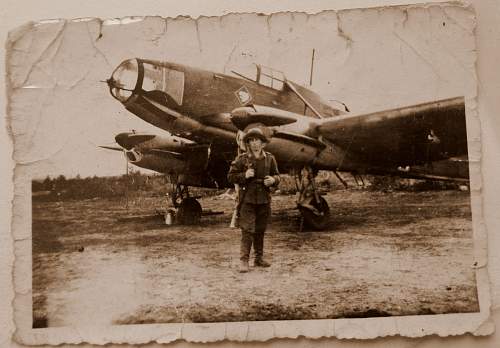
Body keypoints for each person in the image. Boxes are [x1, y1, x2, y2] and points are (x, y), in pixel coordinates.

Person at [228, 127, 280, 273]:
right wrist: (244, 175)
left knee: (260, 229)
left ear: (262, 143)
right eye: (251, 140)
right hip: (247, 199)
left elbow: (277, 176)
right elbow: (230, 177)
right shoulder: (242, 159)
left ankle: (258, 258)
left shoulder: (270, 158)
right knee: (247, 230)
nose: (255, 143)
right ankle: (244, 261)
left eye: (257, 140)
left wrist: (273, 180)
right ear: (248, 144)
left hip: (264, 199)